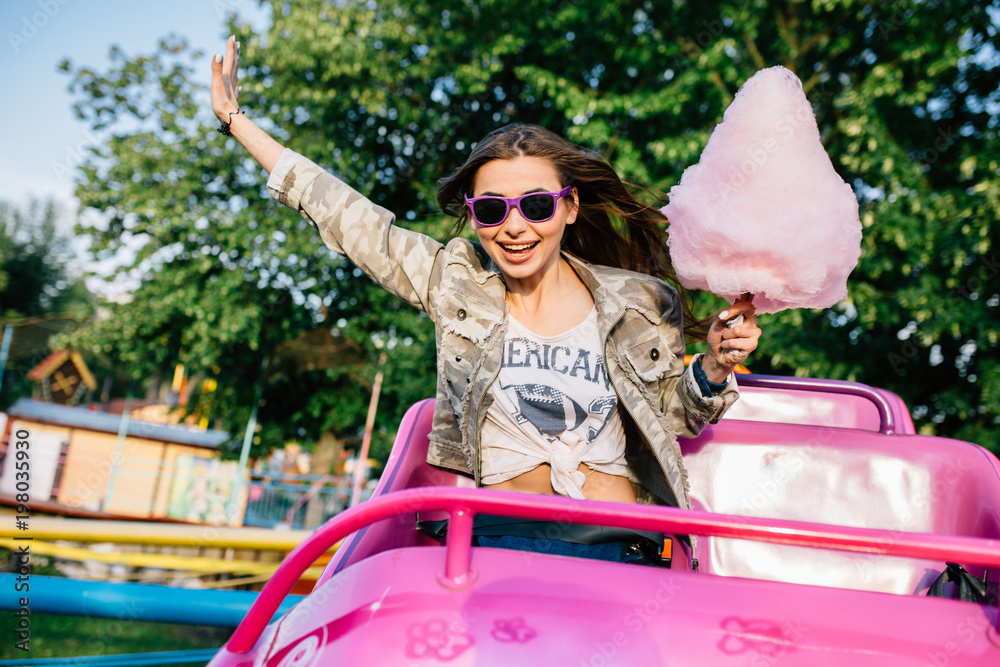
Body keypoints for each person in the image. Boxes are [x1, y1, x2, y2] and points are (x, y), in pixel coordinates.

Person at [210, 36, 761, 564]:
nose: (515, 227)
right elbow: (350, 218)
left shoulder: (643, 300)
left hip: (619, 543)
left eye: (537, 206)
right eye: (492, 210)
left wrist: (713, 365)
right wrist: (237, 122)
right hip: (497, 537)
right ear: (473, 216)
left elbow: (673, 417)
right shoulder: (455, 280)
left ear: (570, 208)